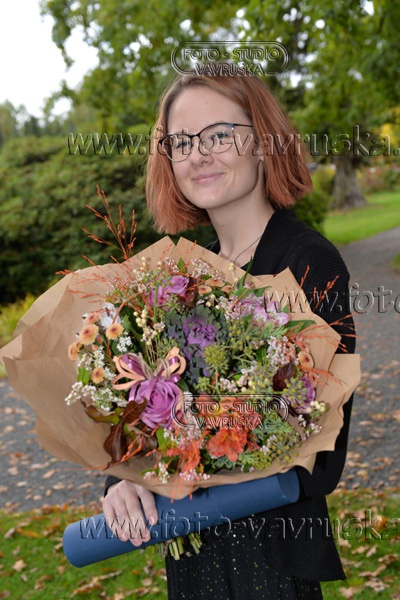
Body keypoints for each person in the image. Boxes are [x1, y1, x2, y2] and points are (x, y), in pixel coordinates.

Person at [102, 70, 356, 599]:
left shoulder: (307, 262)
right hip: (193, 553)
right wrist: (125, 476)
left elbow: (321, 460)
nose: (198, 155)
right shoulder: (180, 280)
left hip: (270, 557)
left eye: (219, 135)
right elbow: (148, 410)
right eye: (181, 142)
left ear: (263, 141)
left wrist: (195, 464)